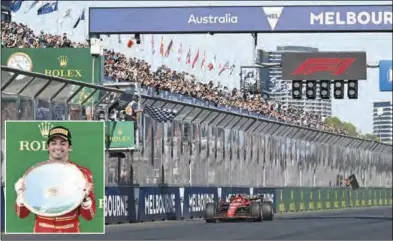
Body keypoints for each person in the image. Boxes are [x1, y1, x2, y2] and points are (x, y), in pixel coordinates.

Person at [14, 126, 96, 233]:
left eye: (62, 143)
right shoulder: (34, 173)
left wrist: (85, 198)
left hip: (70, 232)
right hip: (42, 232)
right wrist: (21, 196)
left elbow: (89, 216)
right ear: (47, 146)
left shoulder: (81, 174)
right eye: (53, 143)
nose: (58, 147)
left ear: (69, 147)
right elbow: (22, 215)